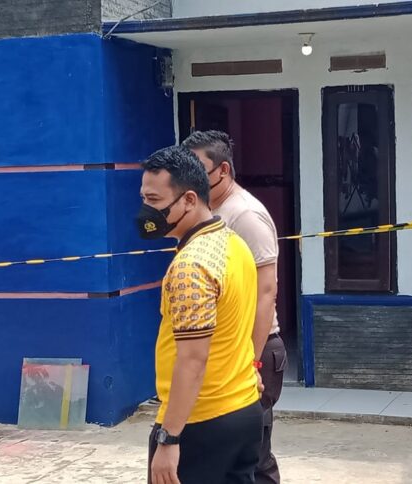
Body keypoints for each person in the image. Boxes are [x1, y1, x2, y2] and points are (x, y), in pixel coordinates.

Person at [137, 145, 263, 484]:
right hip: (244, 409)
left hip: (200, 422)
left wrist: (169, 437)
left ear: (189, 200)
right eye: (144, 198)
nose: (146, 210)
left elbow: (192, 359)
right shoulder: (233, 243)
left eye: (154, 200)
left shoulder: (191, 266)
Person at [182, 130, 284, 484]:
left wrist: (251, 362)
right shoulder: (209, 212)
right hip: (228, 348)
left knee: (253, 455)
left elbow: (266, 293)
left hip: (255, 348)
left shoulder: (245, 215)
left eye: (198, 170)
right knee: (227, 453)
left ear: (223, 170)